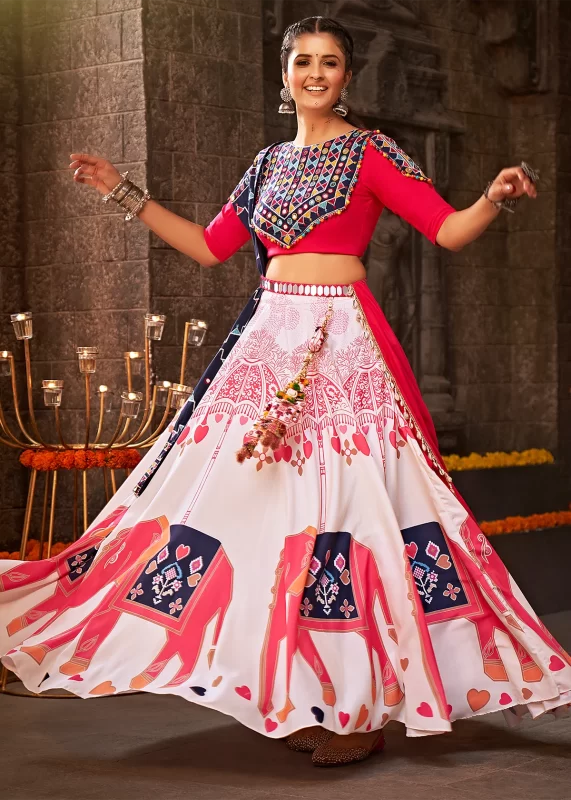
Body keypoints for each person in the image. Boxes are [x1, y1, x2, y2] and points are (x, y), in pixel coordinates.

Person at [1, 16, 569, 769]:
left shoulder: (370, 153)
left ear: (346, 77)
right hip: (267, 349)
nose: (315, 73)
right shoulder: (265, 166)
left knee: (348, 516)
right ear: (283, 74)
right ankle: (301, 695)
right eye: (302, 60)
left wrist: (493, 195)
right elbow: (210, 247)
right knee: (257, 518)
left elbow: (446, 231)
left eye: (330, 63)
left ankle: (358, 709)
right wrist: (122, 192)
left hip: (342, 353)